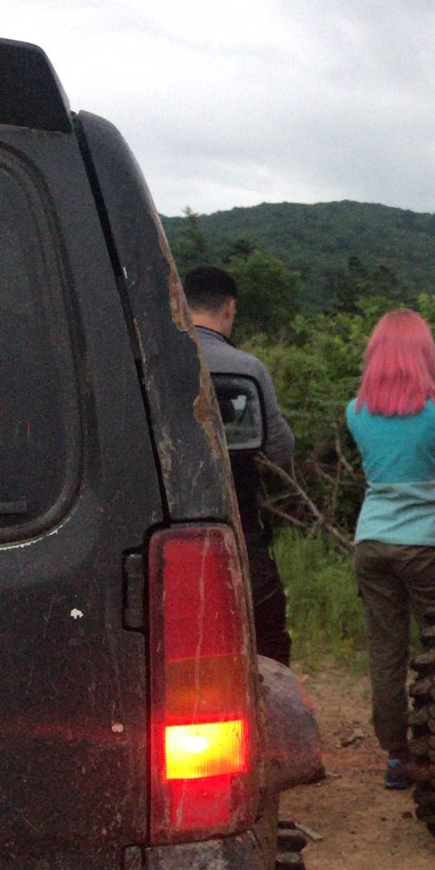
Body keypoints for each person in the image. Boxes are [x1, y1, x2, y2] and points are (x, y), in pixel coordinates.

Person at [346, 309, 435, 789]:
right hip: (429, 545)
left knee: (386, 652)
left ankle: (396, 756)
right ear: (424, 355)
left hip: (371, 542)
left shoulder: (355, 413)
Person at [183, 264, 297, 664]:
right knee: (266, 626)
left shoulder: (152, 360)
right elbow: (281, 446)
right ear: (229, 309)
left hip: (160, 510)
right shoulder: (247, 368)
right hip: (237, 520)